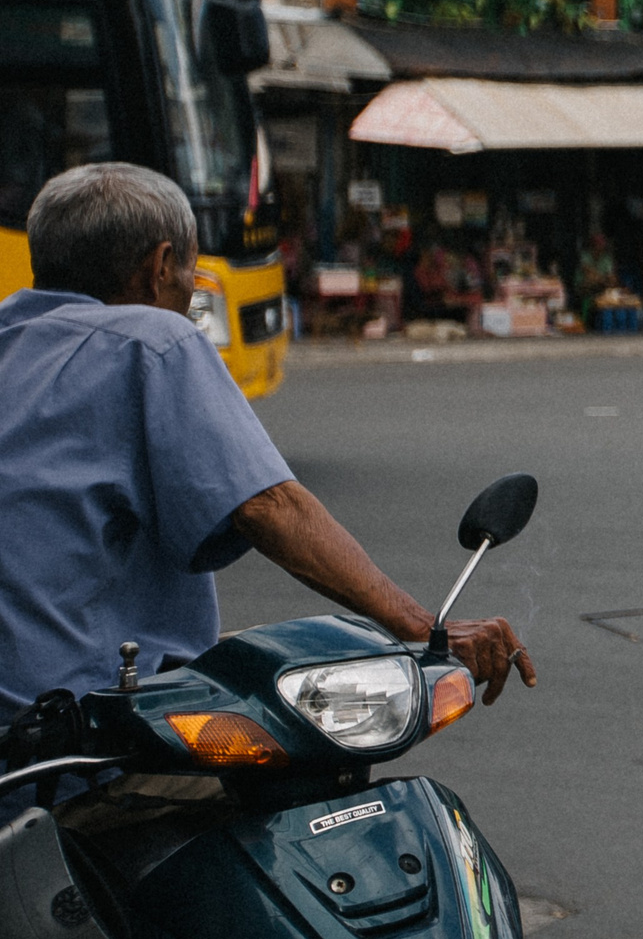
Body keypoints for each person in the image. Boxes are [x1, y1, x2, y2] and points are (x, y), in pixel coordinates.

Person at [0, 163, 535, 734]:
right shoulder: (152, 340)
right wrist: (421, 626)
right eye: (191, 270)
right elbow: (269, 507)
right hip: (70, 729)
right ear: (160, 266)